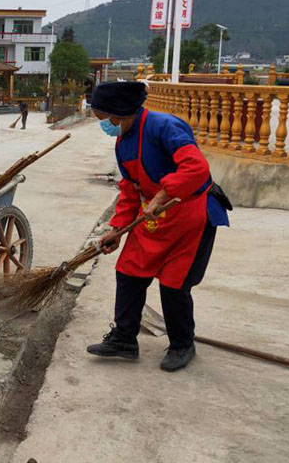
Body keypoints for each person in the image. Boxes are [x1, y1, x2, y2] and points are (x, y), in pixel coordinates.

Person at [85, 81, 230, 372]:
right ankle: (124, 339)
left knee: (174, 284)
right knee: (129, 270)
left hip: (192, 213)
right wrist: (117, 228)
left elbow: (196, 168)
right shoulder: (123, 141)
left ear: (120, 114)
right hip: (156, 217)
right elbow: (129, 189)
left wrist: (162, 195)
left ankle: (182, 344)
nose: (106, 125)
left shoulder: (165, 126)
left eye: (106, 118)